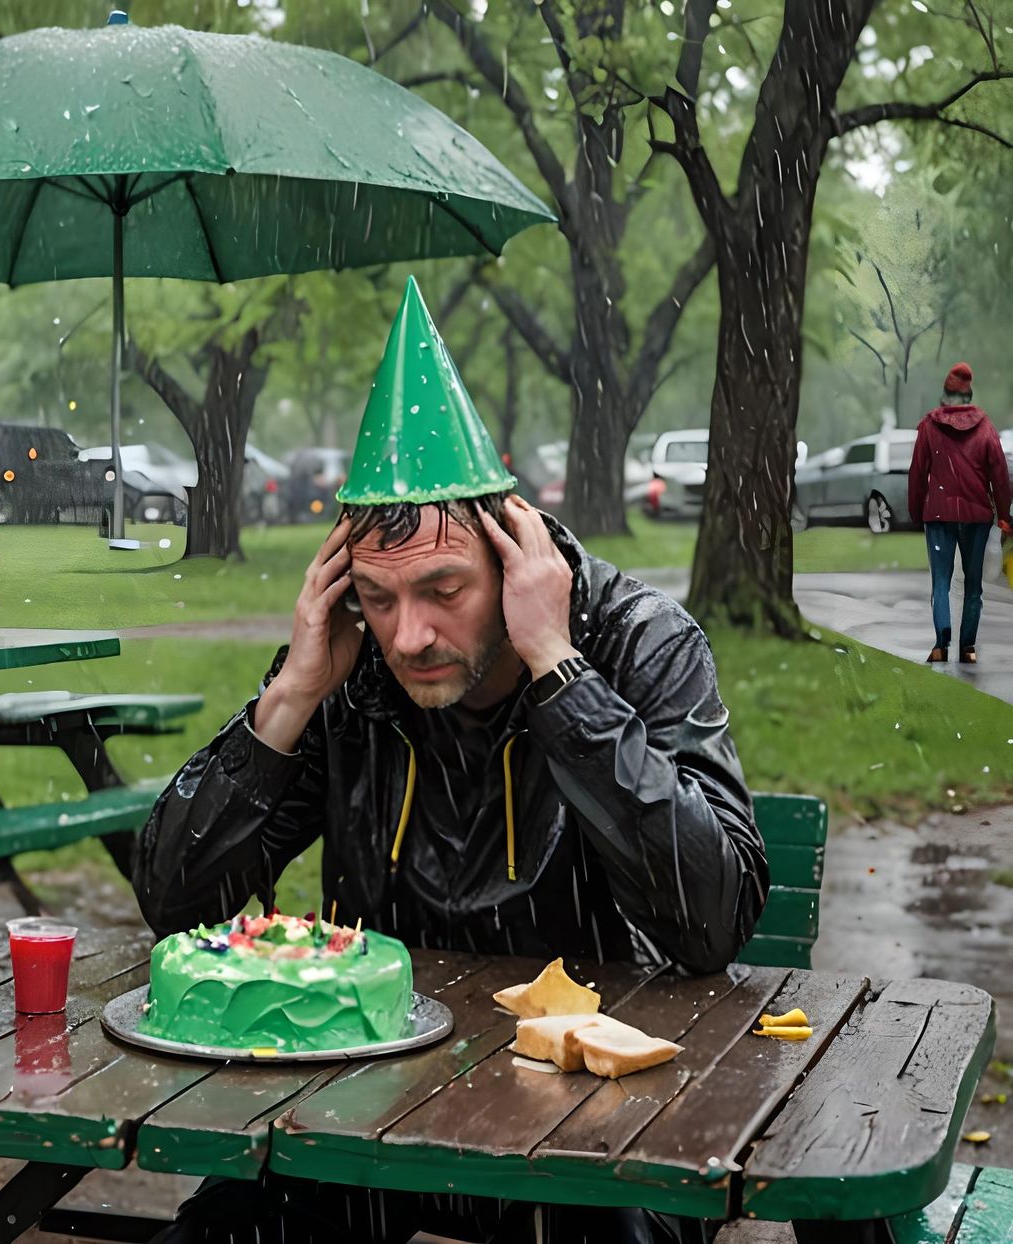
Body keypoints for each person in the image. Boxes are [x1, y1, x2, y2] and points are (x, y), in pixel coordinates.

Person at [133, 278, 769, 1244]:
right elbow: (176, 899)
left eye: (443, 589)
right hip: (369, 1110)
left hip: (596, 1128)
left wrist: (560, 673)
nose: (411, 633)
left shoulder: (639, 643)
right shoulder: (350, 670)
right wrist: (291, 697)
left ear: (514, 556)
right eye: (381, 599)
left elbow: (710, 924)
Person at [907, 362, 1012, 665]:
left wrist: (917, 511)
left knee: (941, 581)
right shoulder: (985, 427)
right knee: (973, 584)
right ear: (969, 397)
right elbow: (1000, 476)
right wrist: (1004, 514)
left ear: (945, 395)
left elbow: (917, 474)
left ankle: (941, 644)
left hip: (938, 516)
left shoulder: (929, 426)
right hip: (976, 517)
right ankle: (968, 648)